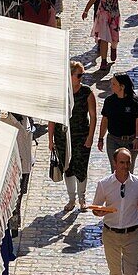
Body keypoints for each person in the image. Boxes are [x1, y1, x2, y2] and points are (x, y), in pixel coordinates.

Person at [49, 61, 97, 212]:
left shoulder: (86, 92)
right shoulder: (60, 93)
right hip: (62, 136)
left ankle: (82, 198)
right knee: (67, 168)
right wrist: (50, 140)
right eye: (79, 75)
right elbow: (52, 118)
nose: (81, 77)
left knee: (81, 167)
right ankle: (72, 199)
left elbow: (93, 116)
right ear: (69, 75)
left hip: (81, 135)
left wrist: (90, 137)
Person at [98, 73, 138, 171]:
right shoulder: (109, 101)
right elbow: (105, 120)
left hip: (130, 140)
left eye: (114, 84)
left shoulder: (135, 102)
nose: (111, 86)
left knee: (128, 170)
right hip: (113, 140)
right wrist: (100, 138)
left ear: (122, 86)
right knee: (115, 170)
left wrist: (137, 138)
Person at [83, 0, 125, 68]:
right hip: (103, 16)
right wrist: (86, 11)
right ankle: (103, 60)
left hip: (114, 16)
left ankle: (114, 48)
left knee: (114, 38)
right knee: (104, 38)